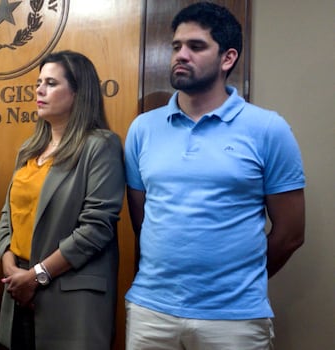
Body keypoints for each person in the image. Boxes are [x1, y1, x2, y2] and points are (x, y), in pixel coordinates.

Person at [124, 2, 306, 349]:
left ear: (228, 58)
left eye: (196, 46)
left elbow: (291, 233)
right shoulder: (143, 129)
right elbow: (142, 219)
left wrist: (238, 282)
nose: (181, 55)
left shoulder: (268, 129)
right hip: (152, 313)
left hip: (234, 318)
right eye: (176, 46)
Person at [0, 51, 125, 349]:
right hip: (17, 289)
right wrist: (10, 267)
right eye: (39, 82)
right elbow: (7, 217)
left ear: (78, 92)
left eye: (51, 83)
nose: (39, 90)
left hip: (68, 296)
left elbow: (96, 228)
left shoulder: (100, 145)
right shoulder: (29, 149)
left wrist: (37, 276)